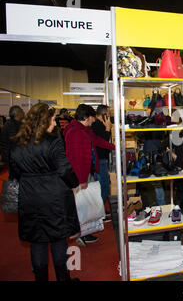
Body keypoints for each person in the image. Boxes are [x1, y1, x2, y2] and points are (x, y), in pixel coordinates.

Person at [9, 103, 80, 281]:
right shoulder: (53, 141)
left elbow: (15, 170)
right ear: (44, 121)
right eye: (53, 119)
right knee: (58, 240)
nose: (55, 124)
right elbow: (64, 169)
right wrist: (74, 183)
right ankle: (63, 279)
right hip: (53, 197)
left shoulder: (18, 143)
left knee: (37, 241)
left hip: (29, 197)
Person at [63, 104, 115, 246]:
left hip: (84, 173)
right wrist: (81, 180)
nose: (94, 120)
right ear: (86, 118)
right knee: (81, 205)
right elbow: (78, 158)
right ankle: (81, 234)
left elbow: (96, 141)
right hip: (79, 175)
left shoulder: (84, 130)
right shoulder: (75, 132)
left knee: (84, 204)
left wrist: (114, 146)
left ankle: (84, 232)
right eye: (92, 118)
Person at [92, 105, 113, 220]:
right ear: (104, 114)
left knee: (104, 186)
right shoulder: (97, 126)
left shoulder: (99, 125)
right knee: (103, 186)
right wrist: (108, 129)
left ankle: (100, 211)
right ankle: (98, 213)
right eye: (108, 113)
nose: (110, 115)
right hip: (100, 160)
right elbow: (102, 141)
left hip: (102, 159)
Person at [0, 106, 25, 176]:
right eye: (22, 111)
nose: (24, 113)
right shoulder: (11, 125)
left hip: (13, 157)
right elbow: (14, 140)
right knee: (14, 179)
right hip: (12, 158)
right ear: (18, 114)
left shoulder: (13, 123)